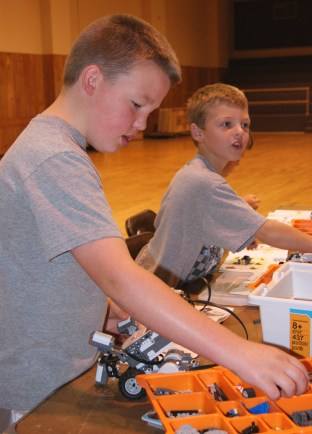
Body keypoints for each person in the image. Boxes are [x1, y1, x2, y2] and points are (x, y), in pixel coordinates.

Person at [0, 17, 309, 430]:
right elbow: (120, 277)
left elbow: (59, 261)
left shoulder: (54, 148)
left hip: (54, 369)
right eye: (136, 104)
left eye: (151, 110)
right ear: (92, 79)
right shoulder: (56, 159)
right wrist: (239, 352)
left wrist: (97, 308)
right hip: (39, 389)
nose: (143, 123)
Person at [136, 82, 312, 289]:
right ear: (198, 132)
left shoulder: (201, 173)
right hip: (157, 290)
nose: (239, 132)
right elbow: (268, 232)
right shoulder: (203, 181)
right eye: (227, 124)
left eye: (244, 125)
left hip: (180, 286)